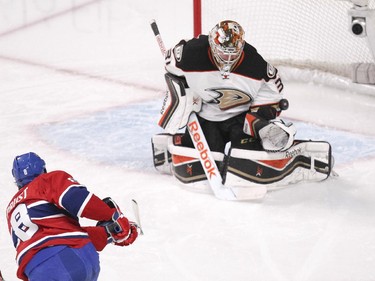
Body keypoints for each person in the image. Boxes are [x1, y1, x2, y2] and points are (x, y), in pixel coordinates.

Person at [152, 20, 332, 188]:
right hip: (207, 117)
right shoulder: (190, 53)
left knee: (245, 157)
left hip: (241, 118)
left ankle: (292, 155)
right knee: (206, 163)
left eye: (233, 53)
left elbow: (273, 92)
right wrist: (184, 92)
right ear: (213, 46)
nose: (228, 60)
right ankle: (178, 143)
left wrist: (260, 115)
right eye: (223, 53)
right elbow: (171, 69)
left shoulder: (254, 63)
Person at [6, 152, 138, 281]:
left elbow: (51, 239)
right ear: (43, 169)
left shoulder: (11, 210)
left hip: (37, 272)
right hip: (74, 259)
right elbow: (77, 199)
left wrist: (107, 234)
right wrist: (114, 217)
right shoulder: (45, 181)